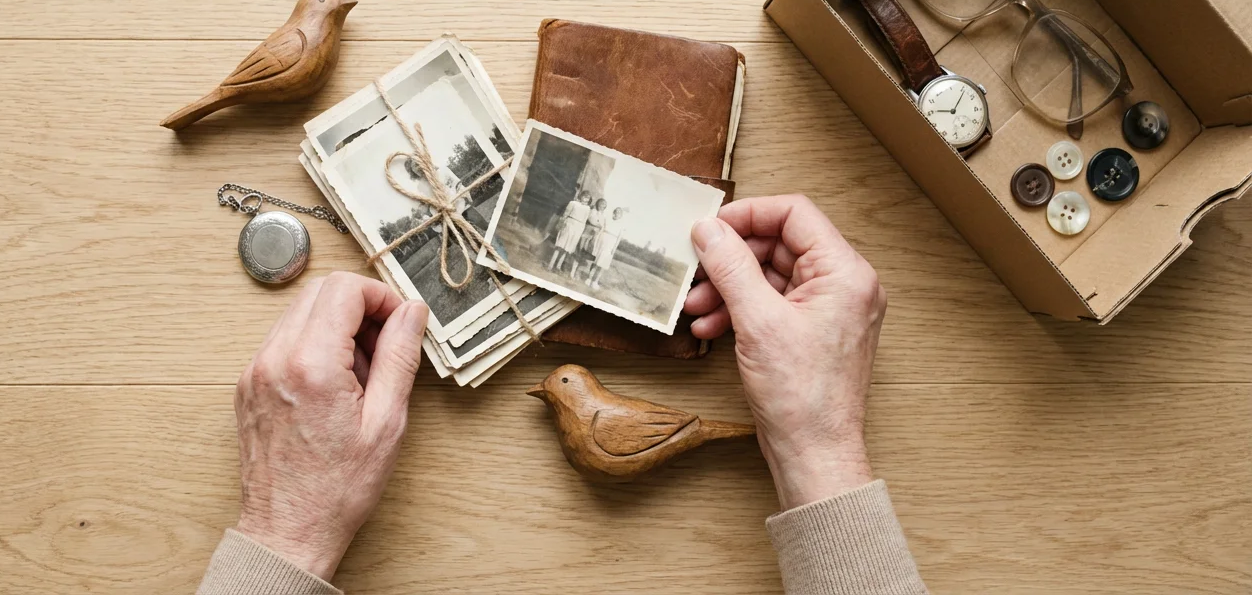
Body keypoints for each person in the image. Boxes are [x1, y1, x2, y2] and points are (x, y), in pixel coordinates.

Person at [196, 195, 927, 595]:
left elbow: (662, 432)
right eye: (563, 385)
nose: (557, 388)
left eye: (564, 383)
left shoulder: (605, 416)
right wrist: (820, 447)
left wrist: (280, 537)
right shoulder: (588, 411)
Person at [547, 189, 592, 271]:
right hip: (569, 223)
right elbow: (566, 213)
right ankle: (550, 264)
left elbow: (584, 220)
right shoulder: (573, 203)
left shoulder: (587, 208)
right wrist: (562, 223)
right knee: (560, 245)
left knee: (568, 248)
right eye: (584, 197)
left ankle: (558, 266)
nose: (585, 199)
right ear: (580, 196)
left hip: (578, 227)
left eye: (587, 198)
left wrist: (580, 231)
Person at [587, 206, 627, 287]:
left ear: (621, 216)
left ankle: (595, 281)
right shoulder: (607, 219)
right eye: (616, 212)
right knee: (596, 261)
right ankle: (589, 279)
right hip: (602, 241)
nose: (617, 214)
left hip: (611, 243)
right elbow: (601, 230)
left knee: (603, 263)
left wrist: (614, 249)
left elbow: (618, 238)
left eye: (619, 213)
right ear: (614, 212)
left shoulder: (622, 225)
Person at [571, 197, 608, 280]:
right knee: (579, 253)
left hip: (593, 238)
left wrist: (599, 228)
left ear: (605, 207)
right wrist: (598, 225)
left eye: (604, 205)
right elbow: (591, 220)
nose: (602, 206)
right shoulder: (592, 211)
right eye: (601, 204)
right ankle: (572, 271)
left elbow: (603, 227)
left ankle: (578, 272)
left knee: (586, 257)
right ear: (597, 204)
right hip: (586, 234)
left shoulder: (604, 216)